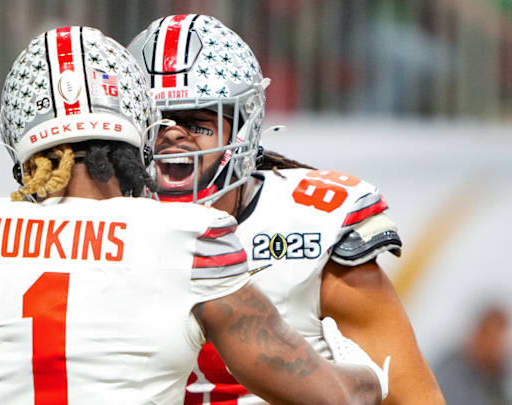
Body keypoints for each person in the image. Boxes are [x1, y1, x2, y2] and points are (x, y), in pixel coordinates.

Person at [0, 26, 389, 405]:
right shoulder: (188, 239)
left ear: (16, 140)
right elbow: (330, 398)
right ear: (140, 122)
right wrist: (367, 377)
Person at [128, 14, 445, 405]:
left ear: (242, 126)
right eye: (157, 122)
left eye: (197, 121)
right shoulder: (99, 218)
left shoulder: (312, 224)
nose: (173, 135)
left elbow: (414, 397)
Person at [434, 305, 512, 405]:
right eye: (498, 340)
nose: (505, 349)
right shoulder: (451, 372)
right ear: (481, 335)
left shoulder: (497, 382)